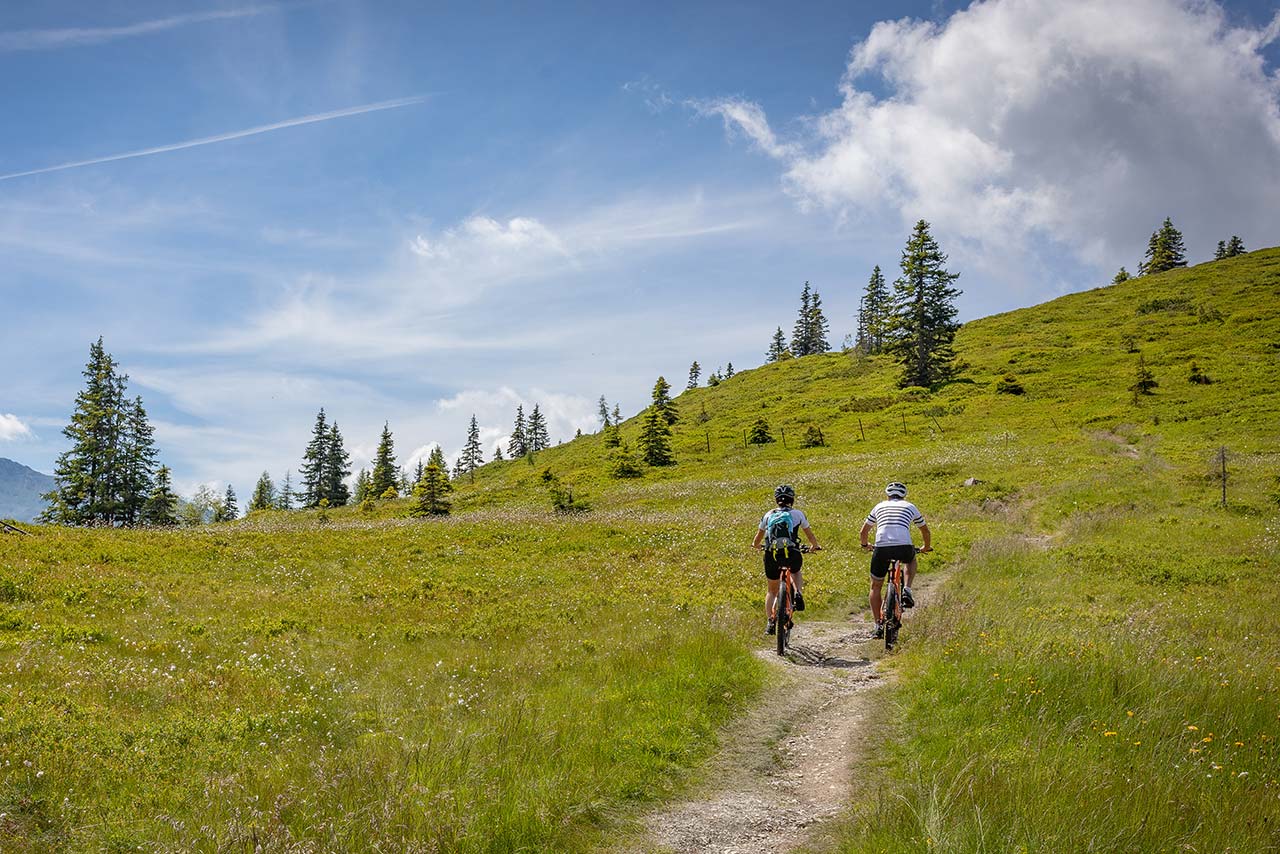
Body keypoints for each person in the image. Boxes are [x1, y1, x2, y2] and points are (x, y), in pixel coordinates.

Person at [860, 481, 931, 638]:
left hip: (881, 548)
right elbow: (925, 530)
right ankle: (907, 589)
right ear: (904, 496)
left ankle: (878, 624)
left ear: (887, 495)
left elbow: (863, 531)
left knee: (875, 586)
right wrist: (925, 547)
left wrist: (865, 545)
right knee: (911, 560)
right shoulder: (910, 506)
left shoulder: (879, 506)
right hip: (904, 546)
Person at [752, 484, 822, 635]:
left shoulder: (768, 515)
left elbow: (758, 538)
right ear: (792, 499)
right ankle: (798, 594)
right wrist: (814, 546)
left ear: (776, 500)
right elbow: (810, 535)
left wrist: (757, 546)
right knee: (796, 571)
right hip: (792, 553)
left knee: (772, 590)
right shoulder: (798, 514)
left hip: (772, 555)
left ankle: (771, 620)